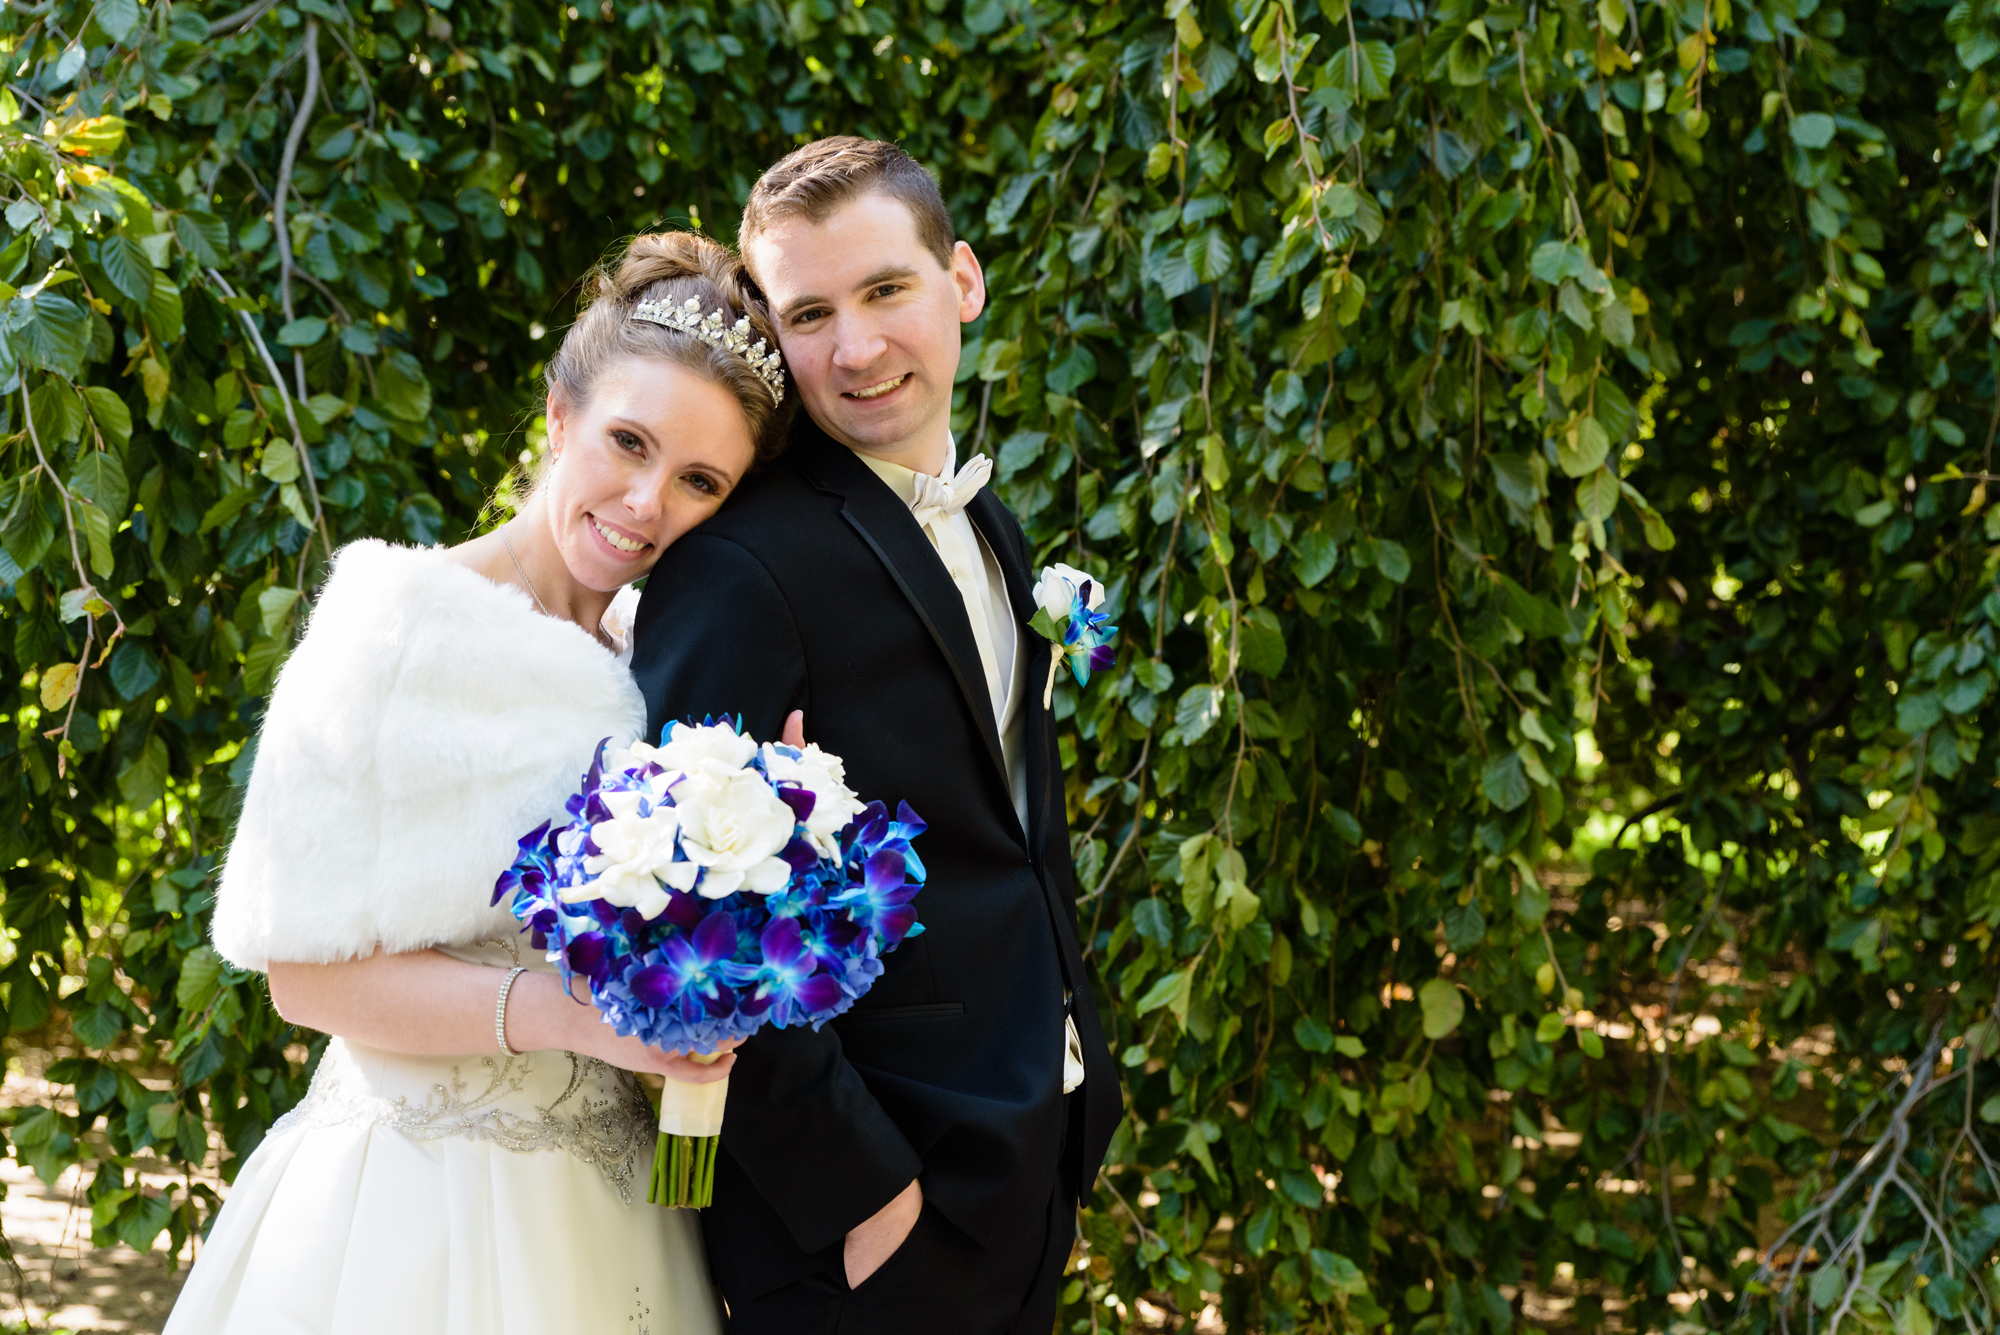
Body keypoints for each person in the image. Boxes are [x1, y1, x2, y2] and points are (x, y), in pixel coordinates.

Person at [164, 232, 791, 1335]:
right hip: (415, 1206)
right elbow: (302, 979)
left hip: (627, 1211)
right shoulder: (395, 622)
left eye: (699, 480)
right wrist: (580, 1018)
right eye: (625, 443)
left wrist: (772, 821)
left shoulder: (661, 661)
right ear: (557, 417)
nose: (646, 502)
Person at [630, 137, 1119, 1334]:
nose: (853, 348)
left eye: (885, 290)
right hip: (871, 1213)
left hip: (1021, 1151)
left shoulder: (989, 521)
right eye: (808, 313)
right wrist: (865, 1196)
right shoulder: (741, 567)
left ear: (962, 282)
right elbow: (691, 911)